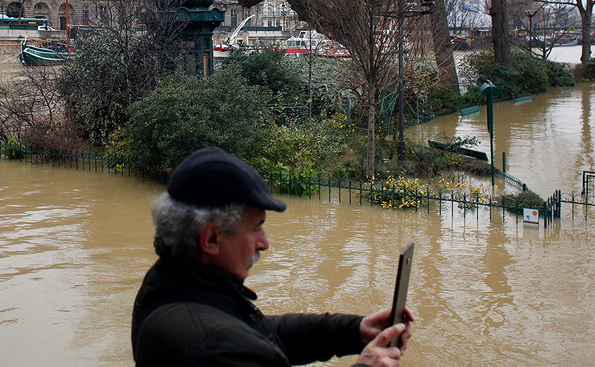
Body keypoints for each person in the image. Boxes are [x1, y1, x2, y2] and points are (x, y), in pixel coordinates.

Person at [131, 147, 414, 366]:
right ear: (211, 239)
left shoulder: (172, 280)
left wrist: (354, 331)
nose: (265, 243)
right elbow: (245, 342)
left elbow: (261, 330)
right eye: (256, 228)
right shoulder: (214, 345)